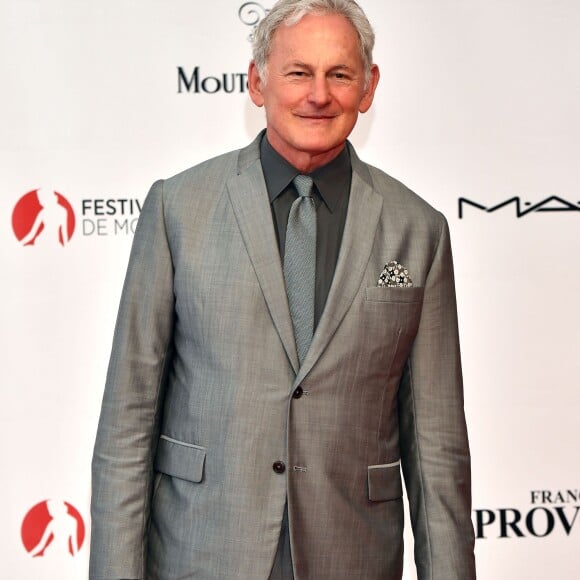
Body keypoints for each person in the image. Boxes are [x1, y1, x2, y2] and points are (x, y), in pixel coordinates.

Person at [90, 1, 476, 578]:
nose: (318, 94)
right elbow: (128, 423)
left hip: (352, 555)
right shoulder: (179, 209)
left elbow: (437, 450)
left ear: (367, 89)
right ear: (257, 81)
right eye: (298, 72)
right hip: (203, 552)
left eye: (339, 74)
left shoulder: (418, 230)